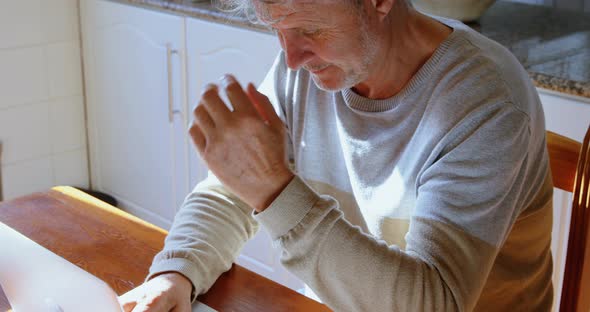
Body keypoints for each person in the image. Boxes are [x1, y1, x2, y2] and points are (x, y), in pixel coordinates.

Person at [119, 0, 554, 311]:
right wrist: (176, 271)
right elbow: (235, 189)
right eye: (277, 30)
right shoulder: (315, 70)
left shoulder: (484, 104)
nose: (291, 59)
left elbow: (433, 303)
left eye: (309, 32)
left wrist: (275, 191)